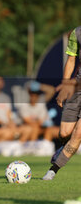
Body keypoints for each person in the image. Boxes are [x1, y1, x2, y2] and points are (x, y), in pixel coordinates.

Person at [43, 26, 81, 180]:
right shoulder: (77, 33)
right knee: (64, 133)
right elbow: (71, 60)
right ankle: (61, 148)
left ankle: (52, 170)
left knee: (78, 133)